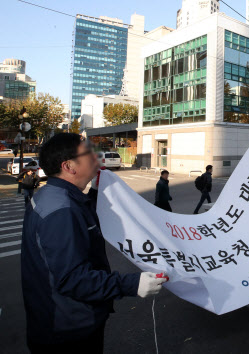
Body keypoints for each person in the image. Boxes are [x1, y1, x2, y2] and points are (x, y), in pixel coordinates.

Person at [21, 133, 168, 353]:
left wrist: (96, 193)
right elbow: (72, 279)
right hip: (67, 331)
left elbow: (78, 222)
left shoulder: (53, 195)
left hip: (58, 321)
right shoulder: (61, 212)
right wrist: (132, 284)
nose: (96, 157)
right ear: (69, 166)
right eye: (89, 153)